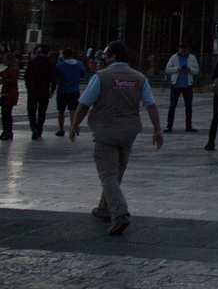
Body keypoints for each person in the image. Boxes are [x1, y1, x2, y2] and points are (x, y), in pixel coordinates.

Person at [68, 40, 164, 235]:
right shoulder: (139, 78)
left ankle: (120, 214)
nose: (102, 59)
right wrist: (157, 130)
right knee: (117, 172)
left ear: (112, 57)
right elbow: (150, 105)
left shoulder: (101, 77)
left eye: (104, 55)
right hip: (129, 132)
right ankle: (103, 208)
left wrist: (74, 125)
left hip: (105, 131)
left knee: (107, 174)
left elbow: (84, 104)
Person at [163, 44, 199, 133]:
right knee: (172, 106)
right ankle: (169, 125)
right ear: (179, 49)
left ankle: (189, 126)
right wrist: (177, 69)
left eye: (185, 51)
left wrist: (189, 69)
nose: (183, 53)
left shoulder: (192, 58)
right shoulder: (174, 58)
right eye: (182, 51)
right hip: (176, 85)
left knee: (188, 106)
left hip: (187, 84)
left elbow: (197, 70)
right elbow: (167, 69)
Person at [24, 45, 57, 139]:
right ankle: (39, 128)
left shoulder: (33, 62)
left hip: (33, 89)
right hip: (44, 89)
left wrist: (28, 87)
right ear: (49, 53)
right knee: (42, 111)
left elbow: (27, 75)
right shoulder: (51, 63)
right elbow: (54, 78)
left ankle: (33, 127)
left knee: (31, 110)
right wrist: (52, 89)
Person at [55, 47, 87, 137]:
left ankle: (61, 129)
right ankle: (73, 127)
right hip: (74, 90)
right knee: (73, 111)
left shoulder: (59, 66)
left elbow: (56, 76)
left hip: (62, 90)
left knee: (61, 111)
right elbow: (83, 74)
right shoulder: (79, 64)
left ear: (64, 56)